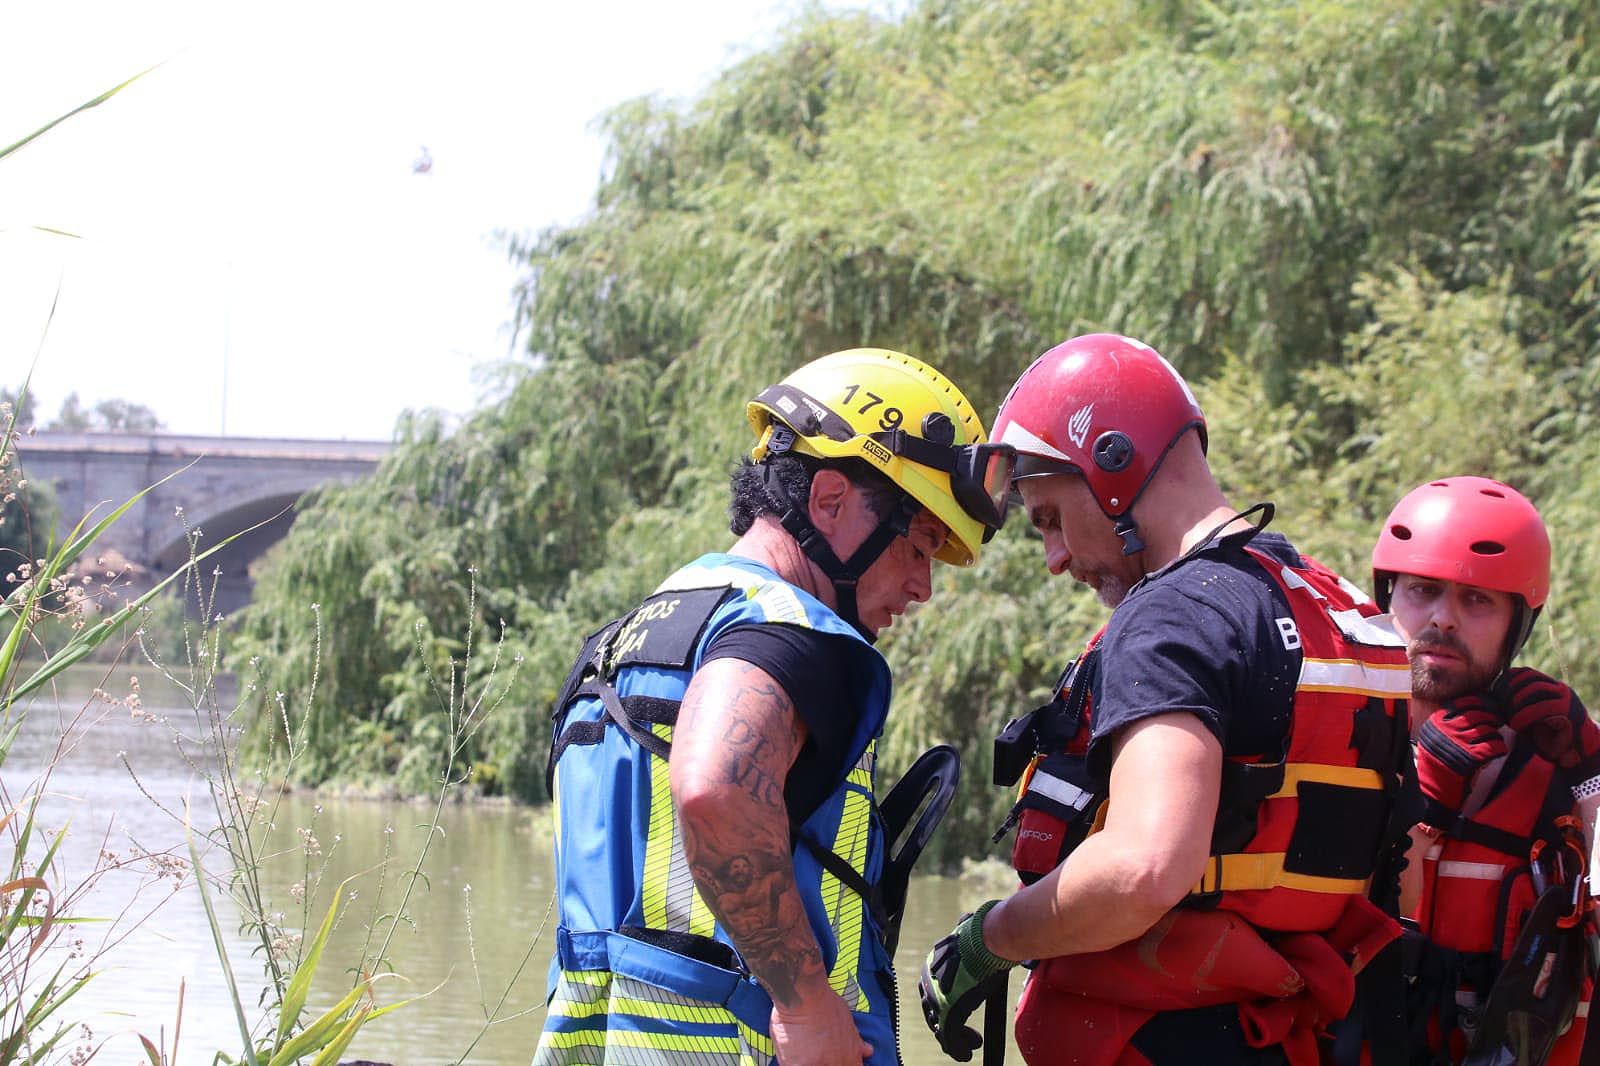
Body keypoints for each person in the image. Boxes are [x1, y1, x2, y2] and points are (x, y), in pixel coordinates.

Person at [919, 333, 1415, 1066]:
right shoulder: (1336, 610)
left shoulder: (1173, 615)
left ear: (1113, 464)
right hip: (1297, 1037)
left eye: (1051, 518)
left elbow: (1143, 866)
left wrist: (986, 940)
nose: (1055, 559)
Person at [533, 348, 1014, 1065]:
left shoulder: (631, 638)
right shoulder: (788, 633)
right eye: (919, 547)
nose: (924, 587)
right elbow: (715, 787)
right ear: (828, 500)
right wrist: (806, 1001)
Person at [1374, 476, 1600, 1065]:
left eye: (1477, 600)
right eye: (1423, 590)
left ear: (1515, 625)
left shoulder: (1554, 758)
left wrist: (1592, 775)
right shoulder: (1336, 739)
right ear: (1387, 597)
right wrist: (1419, 812)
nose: (1443, 619)